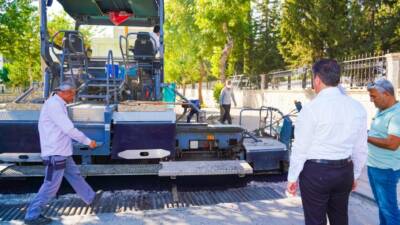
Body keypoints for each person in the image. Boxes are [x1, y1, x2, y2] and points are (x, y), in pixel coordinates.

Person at [286, 59, 368, 225]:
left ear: (317, 79)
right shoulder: (357, 107)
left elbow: (300, 148)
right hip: (344, 171)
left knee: (315, 221)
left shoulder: (311, 109)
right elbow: (360, 148)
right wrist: (355, 174)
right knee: (340, 219)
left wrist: (292, 178)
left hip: (316, 173)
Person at [24, 82, 103, 225]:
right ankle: (32, 215)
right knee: (50, 186)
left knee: (75, 175)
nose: (73, 96)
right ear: (63, 92)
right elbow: (69, 129)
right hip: (55, 153)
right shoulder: (54, 105)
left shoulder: (58, 103)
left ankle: (91, 198)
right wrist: (88, 141)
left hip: (62, 151)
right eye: (72, 93)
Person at [367, 78, 400, 225]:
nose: (371, 99)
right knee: (383, 207)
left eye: (373, 96)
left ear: (386, 94)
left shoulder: (397, 114)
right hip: (375, 166)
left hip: (385, 169)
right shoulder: (383, 110)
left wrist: (365, 137)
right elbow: (379, 135)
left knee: (389, 211)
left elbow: (392, 144)